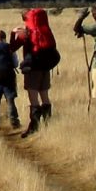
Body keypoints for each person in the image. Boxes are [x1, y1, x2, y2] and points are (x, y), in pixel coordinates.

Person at [10, 8, 56, 137]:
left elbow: (12, 47)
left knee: (33, 97)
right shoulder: (46, 30)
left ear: (26, 19)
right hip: (46, 67)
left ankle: (34, 126)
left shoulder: (27, 32)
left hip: (33, 68)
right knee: (45, 95)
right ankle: (47, 124)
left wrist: (13, 33)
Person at [0, 30, 20, 129]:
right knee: (10, 99)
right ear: (4, 38)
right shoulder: (9, 47)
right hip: (8, 77)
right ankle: (14, 121)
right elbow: (16, 64)